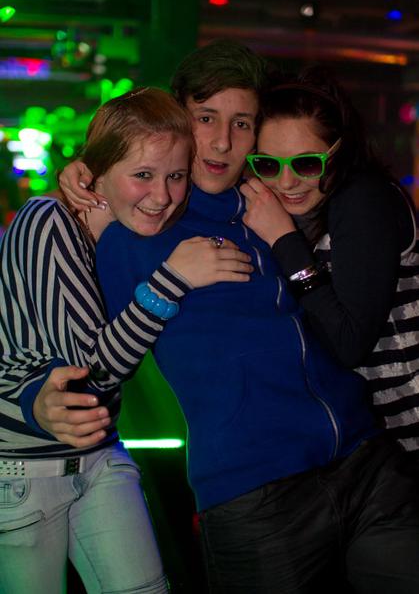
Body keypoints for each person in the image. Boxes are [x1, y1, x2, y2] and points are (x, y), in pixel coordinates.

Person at [58, 40, 419, 594]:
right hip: (256, 494)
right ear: (178, 118)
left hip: (366, 462)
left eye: (242, 123)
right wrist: (93, 178)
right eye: (205, 118)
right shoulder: (137, 227)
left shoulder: (270, 200)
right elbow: (86, 360)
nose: (223, 141)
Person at [0, 86, 253, 594]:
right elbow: (91, 371)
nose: (162, 196)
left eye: (175, 176)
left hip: (102, 457)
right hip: (22, 471)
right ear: (95, 175)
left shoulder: (125, 236)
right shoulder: (46, 221)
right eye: (143, 175)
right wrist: (172, 280)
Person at [241, 65, 419, 454]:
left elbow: (349, 344)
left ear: (339, 151)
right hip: (370, 449)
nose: (286, 182)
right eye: (269, 164)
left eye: (306, 163)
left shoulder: (362, 199)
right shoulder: (299, 210)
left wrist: (284, 240)